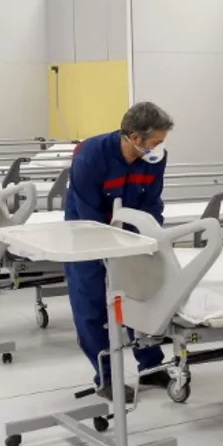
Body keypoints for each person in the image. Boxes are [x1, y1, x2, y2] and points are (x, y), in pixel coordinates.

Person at [64, 101, 174, 400]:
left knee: (142, 297)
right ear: (134, 137)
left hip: (132, 233)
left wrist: (150, 237)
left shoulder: (154, 158)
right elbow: (88, 211)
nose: (158, 148)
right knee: (91, 305)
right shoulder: (90, 155)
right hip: (87, 234)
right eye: (155, 141)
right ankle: (107, 377)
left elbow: (152, 201)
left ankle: (151, 366)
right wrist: (109, 247)